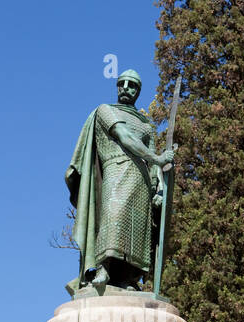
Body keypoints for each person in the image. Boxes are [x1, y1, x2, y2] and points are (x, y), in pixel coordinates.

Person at [64, 69, 174, 293]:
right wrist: (157, 158)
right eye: (122, 83)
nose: (125, 88)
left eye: (132, 85)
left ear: (138, 91)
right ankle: (103, 268)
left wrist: (157, 188)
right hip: (116, 170)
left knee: (138, 228)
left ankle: (128, 278)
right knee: (115, 215)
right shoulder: (106, 111)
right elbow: (126, 137)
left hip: (142, 181)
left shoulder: (146, 125)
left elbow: (154, 165)